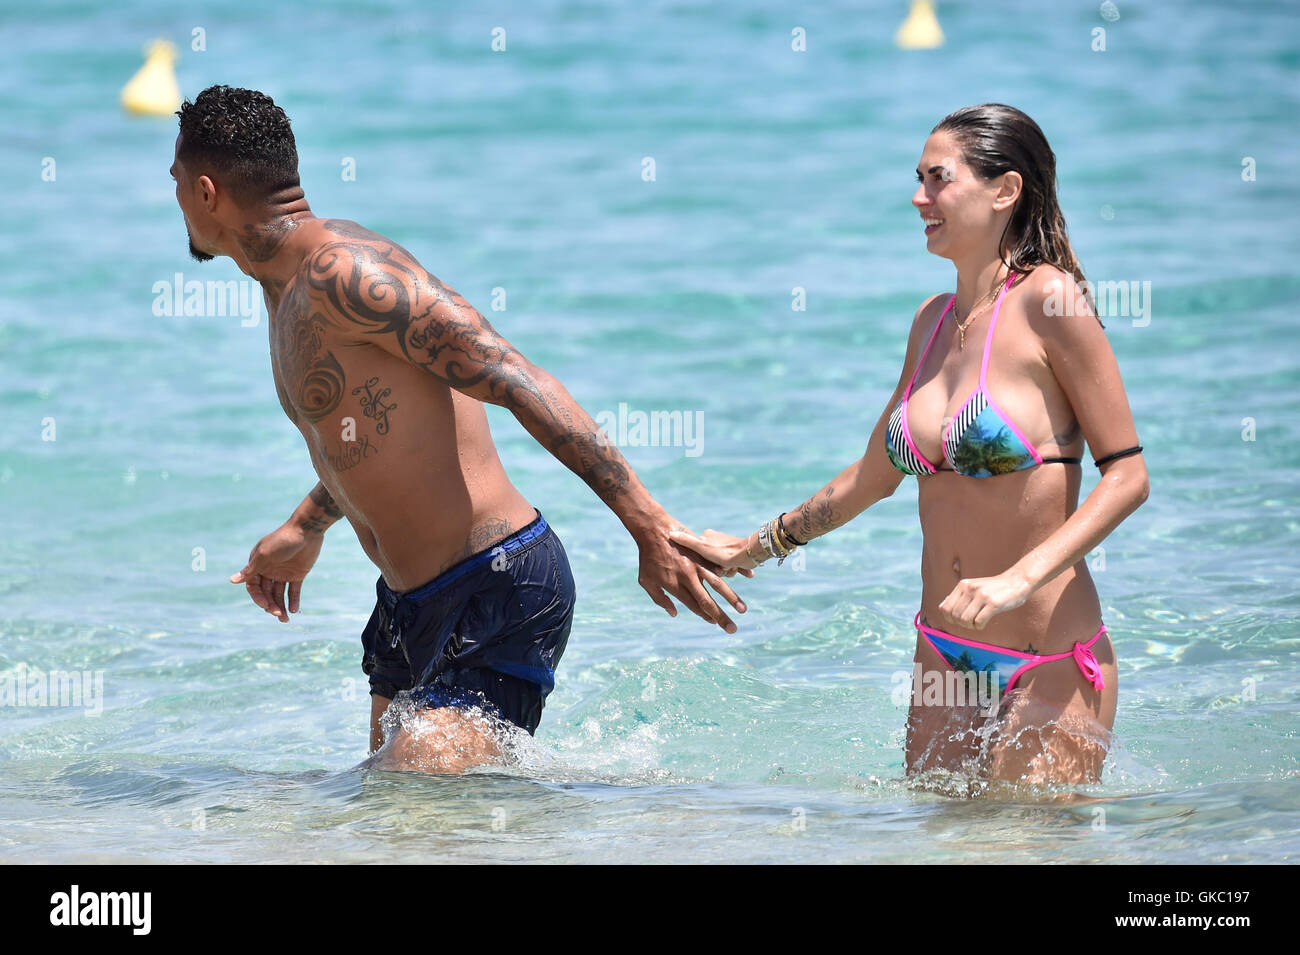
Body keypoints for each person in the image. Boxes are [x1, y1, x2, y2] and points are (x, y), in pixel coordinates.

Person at [169, 85, 747, 773]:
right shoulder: (284, 288)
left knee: (409, 803)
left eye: (175, 183)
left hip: (498, 586)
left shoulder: (348, 274)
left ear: (207, 192)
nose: (173, 200)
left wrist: (646, 521)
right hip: (407, 606)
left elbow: (512, 374)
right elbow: (370, 433)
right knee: (398, 829)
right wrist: (306, 524)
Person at [671, 104, 1149, 786]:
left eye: (938, 179)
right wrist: (753, 547)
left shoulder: (1050, 301)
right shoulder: (931, 322)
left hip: (1048, 654)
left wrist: (1018, 579)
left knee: (1022, 850)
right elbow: (871, 477)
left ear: (1005, 190)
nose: (918, 197)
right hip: (943, 653)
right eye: (917, 179)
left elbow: (1129, 477)